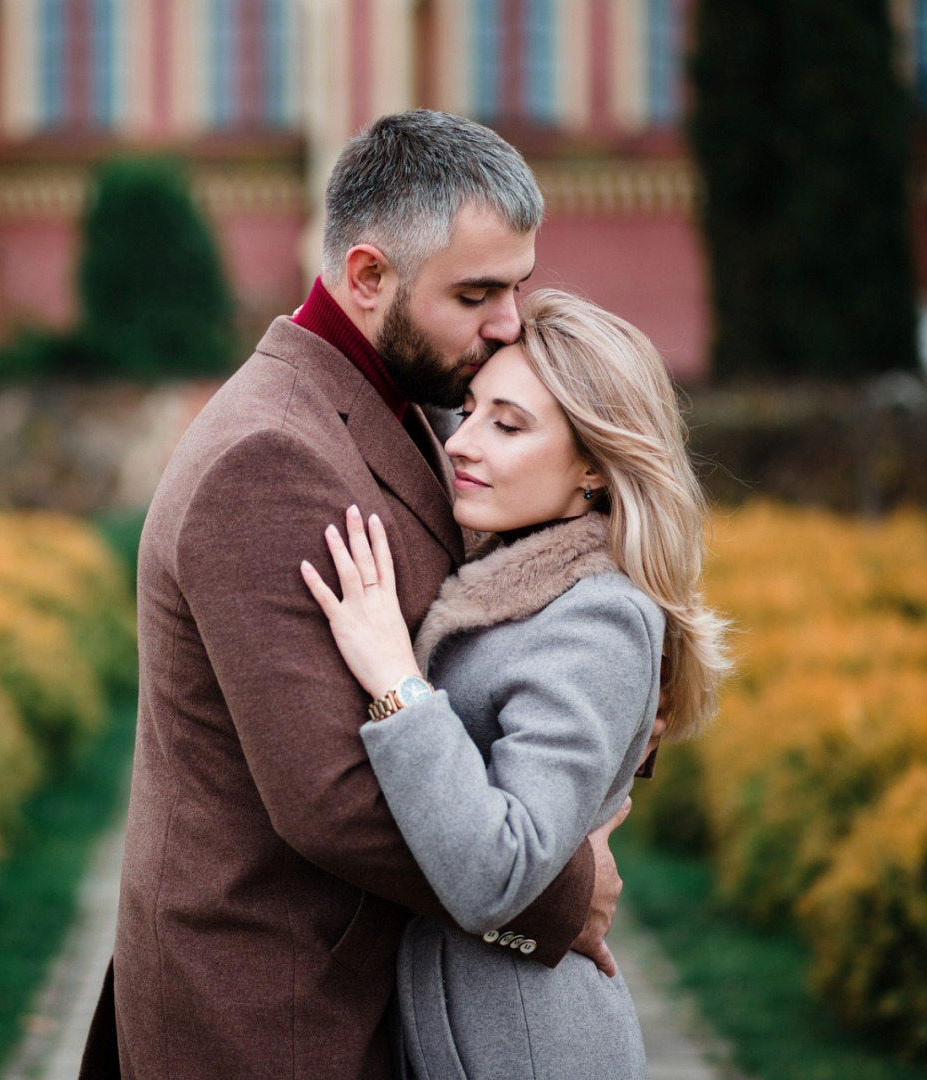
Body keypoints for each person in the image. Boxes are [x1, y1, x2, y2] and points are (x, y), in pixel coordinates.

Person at [79, 111, 628, 1080]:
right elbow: (329, 801)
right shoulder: (270, 456)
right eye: (476, 293)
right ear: (369, 278)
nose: (509, 323)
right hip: (275, 1013)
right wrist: (552, 894)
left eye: (517, 287)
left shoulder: (412, 399)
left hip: (352, 988)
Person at [301, 289, 731, 1079]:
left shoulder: (599, 618)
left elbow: (500, 870)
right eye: (466, 411)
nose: (462, 442)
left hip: (535, 1051)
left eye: (508, 424)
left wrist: (395, 678)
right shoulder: (510, 576)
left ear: (596, 468)